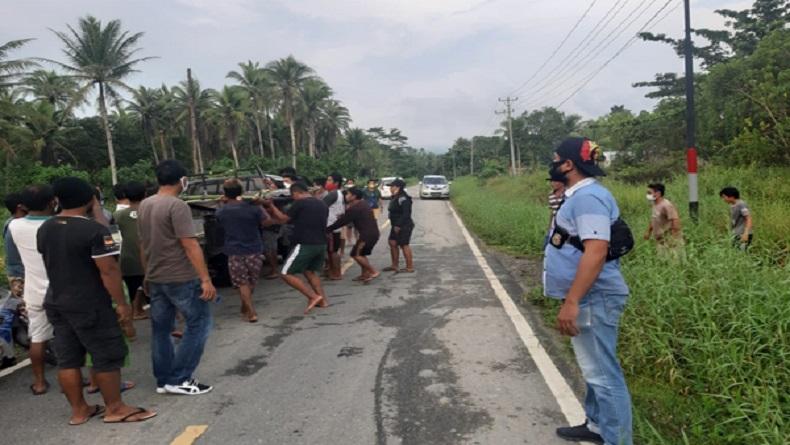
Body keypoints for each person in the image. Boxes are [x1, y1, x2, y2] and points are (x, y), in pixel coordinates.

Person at [36, 177, 156, 425]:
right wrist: (122, 304)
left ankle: (79, 410)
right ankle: (115, 408)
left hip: (57, 300)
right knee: (106, 354)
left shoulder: (46, 228)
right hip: (90, 302)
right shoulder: (95, 230)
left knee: (68, 359)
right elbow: (109, 270)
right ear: (91, 199)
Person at [544, 137, 632, 445]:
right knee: (593, 368)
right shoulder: (578, 196)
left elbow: (596, 251)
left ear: (568, 164)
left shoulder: (587, 198)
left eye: (556, 159)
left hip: (594, 297)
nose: (552, 164)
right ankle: (596, 425)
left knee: (604, 376)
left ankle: (617, 440)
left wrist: (573, 301)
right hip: (591, 296)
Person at [138, 160, 216, 395]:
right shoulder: (177, 205)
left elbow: (142, 243)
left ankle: (163, 379)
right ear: (182, 180)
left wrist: (147, 273)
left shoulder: (144, 204)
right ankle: (180, 378)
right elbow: (189, 243)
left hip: (157, 276)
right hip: (181, 276)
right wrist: (205, 279)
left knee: (161, 329)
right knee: (199, 323)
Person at [8, 185, 56, 396]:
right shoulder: (58, 224)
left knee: (37, 337)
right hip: (61, 288)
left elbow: (14, 259)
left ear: (24, 206)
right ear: (52, 202)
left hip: (34, 290)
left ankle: (39, 382)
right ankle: (75, 377)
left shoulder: (14, 226)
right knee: (68, 336)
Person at [263, 182, 329, 314]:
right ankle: (323, 301)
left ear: (296, 193)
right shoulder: (322, 204)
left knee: (286, 273)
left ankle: (313, 297)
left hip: (305, 244)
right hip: (321, 243)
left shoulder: (300, 203)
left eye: (293, 196)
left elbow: (282, 219)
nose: (293, 199)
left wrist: (271, 206)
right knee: (310, 271)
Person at [215, 179, 268, 323]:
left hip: (234, 251)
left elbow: (219, 220)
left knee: (242, 282)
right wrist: (259, 205)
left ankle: (247, 308)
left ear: (225, 194)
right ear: (241, 192)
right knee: (251, 282)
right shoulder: (253, 208)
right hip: (254, 249)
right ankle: (250, 311)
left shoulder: (222, 211)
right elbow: (266, 221)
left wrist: (221, 203)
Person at [327, 188, 380, 283]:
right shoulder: (362, 204)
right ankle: (365, 274)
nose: (346, 196)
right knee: (362, 254)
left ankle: (373, 271)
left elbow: (342, 222)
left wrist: (327, 229)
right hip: (371, 233)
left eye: (348, 194)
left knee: (356, 254)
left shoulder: (356, 208)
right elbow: (347, 218)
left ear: (354, 196)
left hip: (367, 235)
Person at [113, 181, 148, 319]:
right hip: (152, 261)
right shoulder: (152, 211)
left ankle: (133, 312)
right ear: (145, 194)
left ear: (125, 196)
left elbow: (113, 241)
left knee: (132, 290)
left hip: (127, 263)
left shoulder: (117, 216)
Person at [643, 183, 683, 257]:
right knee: (663, 262)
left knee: (674, 263)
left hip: (669, 240)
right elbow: (654, 219)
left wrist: (674, 238)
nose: (647, 195)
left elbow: (675, 220)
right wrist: (648, 231)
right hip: (660, 241)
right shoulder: (654, 204)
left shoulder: (666, 205)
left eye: (649, 193)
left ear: (658, 193)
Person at [384, 179, 414, 273]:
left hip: (403, 225)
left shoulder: (403, 198)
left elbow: (406, 214)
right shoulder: (395, 197)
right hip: (395, 224)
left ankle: (409, 267)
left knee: (404, 244)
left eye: (392, 186)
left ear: (398, 187)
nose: (390, 188)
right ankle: (394, 265)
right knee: (392, 242)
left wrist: (398, 225)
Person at [3, 192, 26, 299]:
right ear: (20, 207)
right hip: (19, 273)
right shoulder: (19, 225)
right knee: (21, 305)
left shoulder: (10, 222)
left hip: (15, 271)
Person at [323, 173, 345, 280]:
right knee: (331, 251)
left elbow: (321, 206)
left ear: (336, 183)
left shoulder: (332, 194)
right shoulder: (339, 194)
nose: (327, 182)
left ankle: (336, 273)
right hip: (334, 225)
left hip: (330, 226)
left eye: (329, 180)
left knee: (332, 251)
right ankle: (333, 271)